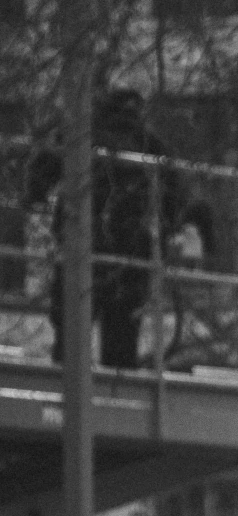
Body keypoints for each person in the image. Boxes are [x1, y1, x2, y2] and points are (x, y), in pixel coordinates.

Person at [28, 90, 189, 370]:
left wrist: (36, 198)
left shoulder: (79, 136)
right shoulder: (149, 144)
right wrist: (166, 231)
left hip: (79, 245)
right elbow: (177, 190)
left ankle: (65, 390)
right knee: (121, 337)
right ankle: (117, 398)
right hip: (129, 254)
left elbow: (41, 172)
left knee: (70, 333)